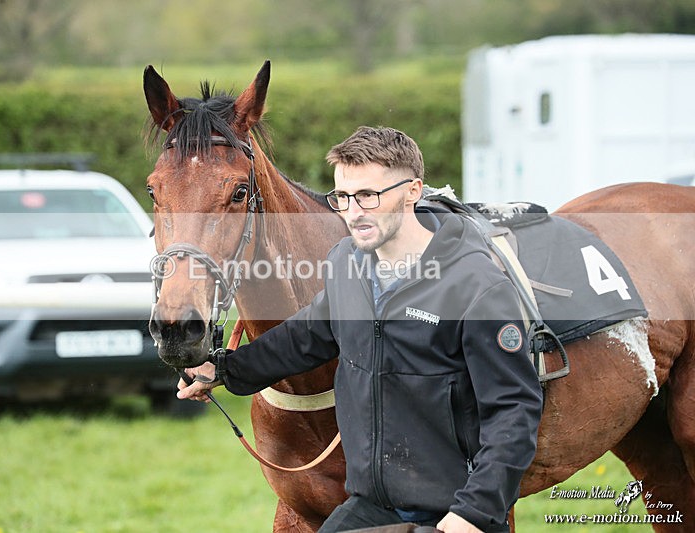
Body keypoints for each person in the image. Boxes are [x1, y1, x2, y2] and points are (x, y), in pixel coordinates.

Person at [177, 126, 544, 533]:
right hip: (372, 504)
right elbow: (308, 335)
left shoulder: (476, 287)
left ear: (413, 191)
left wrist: (475, 512)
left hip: (453, 512)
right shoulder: (346, 263)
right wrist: (225, 370)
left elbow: (514, 410)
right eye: (343, 197)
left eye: (369, 196)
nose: (353, 211)